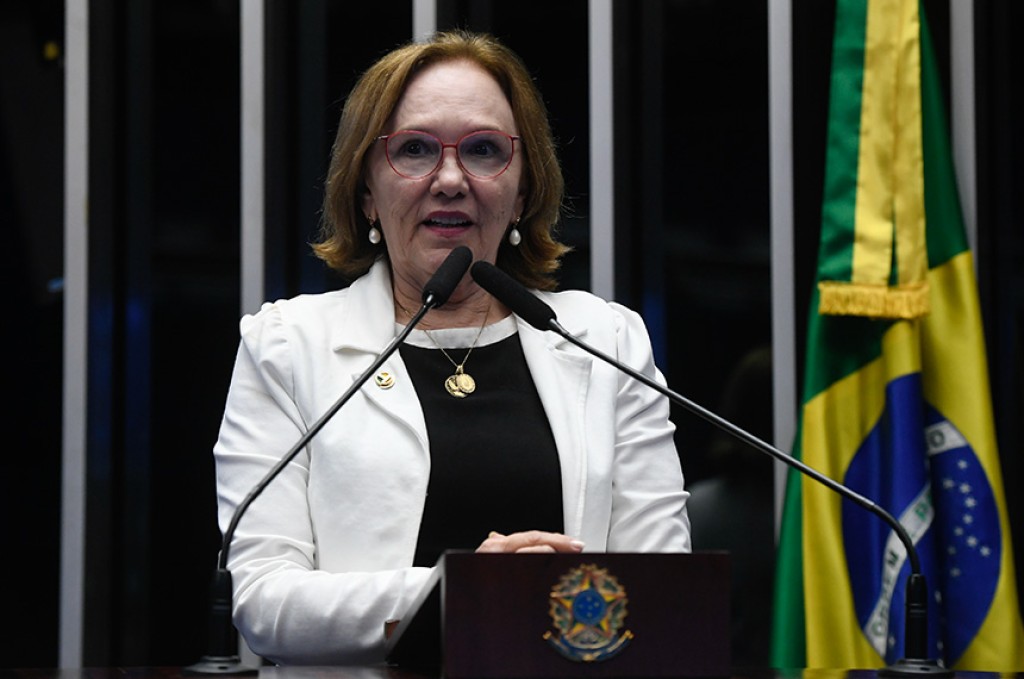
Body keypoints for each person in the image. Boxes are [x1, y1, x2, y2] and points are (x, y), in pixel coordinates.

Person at [213, 29, 690, 666]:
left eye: (484, 150)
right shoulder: (287, 346)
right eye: (413, 150)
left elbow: (664, 589)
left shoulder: (605, 341)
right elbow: (264, 600)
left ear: (523, 192)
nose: (449, 179)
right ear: (365, 192)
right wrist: (459, 592)